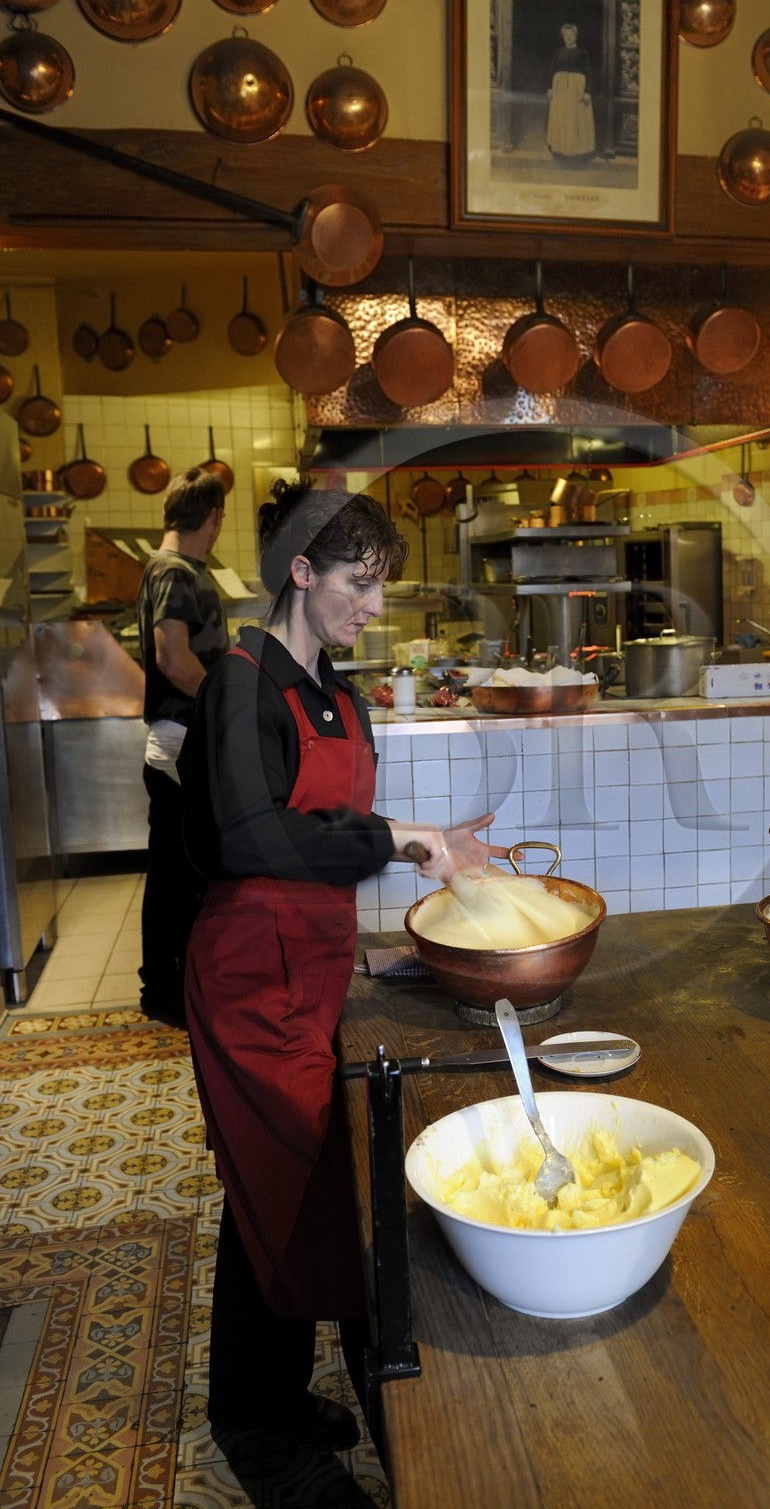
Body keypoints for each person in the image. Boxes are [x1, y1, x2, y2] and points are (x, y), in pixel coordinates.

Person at [178, 478, 510, 1449]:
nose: (373, 607)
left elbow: (317, 836)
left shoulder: (335, 688)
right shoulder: (242, 681)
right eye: (358, 585)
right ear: (300, 570)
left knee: (296, 1186)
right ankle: (257, 1416)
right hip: (250, 979)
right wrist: (398, 835)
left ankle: (260, 1396)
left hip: (312, 964)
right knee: (276, 1190)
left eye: (379, 587)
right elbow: (246, 837)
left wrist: (385, 931)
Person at [136, 467, 227, 1028]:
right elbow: (172, 657)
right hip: (179, 742)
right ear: (213, 518)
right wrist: (224, 702)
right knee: (180, 872)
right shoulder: (174, 571)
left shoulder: (170, 567)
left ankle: (170, 988)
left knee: (176, 868)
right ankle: (165, 993)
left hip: (179, 740)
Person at [546, 21, 596, 164]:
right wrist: (549, 88)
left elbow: (589, 73)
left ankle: (576, 153)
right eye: (566, 35)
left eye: (571, 34)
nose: (568, 37)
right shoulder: (558, 52)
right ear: (563, 37)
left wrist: (588, 92)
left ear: (576, 36)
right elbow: (552, 70)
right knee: (561, 118)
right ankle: (561, 150)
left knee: (575, 119)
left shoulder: (583, 53)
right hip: (560, 89)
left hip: (576, 90)